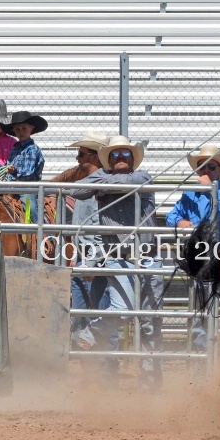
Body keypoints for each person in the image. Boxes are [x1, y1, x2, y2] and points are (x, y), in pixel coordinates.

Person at [72, 135, 164, 392]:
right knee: (122, 308)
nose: (121, 158)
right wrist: (104, 181)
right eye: (115, 155)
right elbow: (75, 190)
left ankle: (151, 384)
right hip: (117, 257)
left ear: (133, 160)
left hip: (148, 257)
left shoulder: (143, 177)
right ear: (108, 161)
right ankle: (93, 334)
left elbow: (132, 183)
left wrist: (103, 185)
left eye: (125, 154)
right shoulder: (105, 176)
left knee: (150, 322)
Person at [166, 144, 220, 351]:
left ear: (219, 171)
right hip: (199, 259)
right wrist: (180, 223)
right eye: (202, 167)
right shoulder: (190, 194)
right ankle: (199, 370)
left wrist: (209, 191)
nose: (206, 171)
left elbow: (218, 216)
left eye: (211, 167)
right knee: (199, 317)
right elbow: (172, 216)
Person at [65, 132, 117, 355]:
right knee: (84, 317)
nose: (78, 158)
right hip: (83, 258)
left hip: (93, 261)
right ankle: (93, 371)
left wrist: (91, 261)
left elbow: (101, 229)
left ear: (95, 156)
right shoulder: (89, 185)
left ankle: (103, 370)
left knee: (97, 316)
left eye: (81, 154)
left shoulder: (101, 187)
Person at [0, 111, 47, 223]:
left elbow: (28, 173)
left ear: (31, 128)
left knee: (32, 210)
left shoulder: (33, 149)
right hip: (10, 187)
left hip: (27, 188)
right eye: (17, 129)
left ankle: (45, 235)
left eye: (24, 128)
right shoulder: (14, 149)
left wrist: (14, 172)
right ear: (13, 131)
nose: (21, 132)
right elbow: (6, 167)